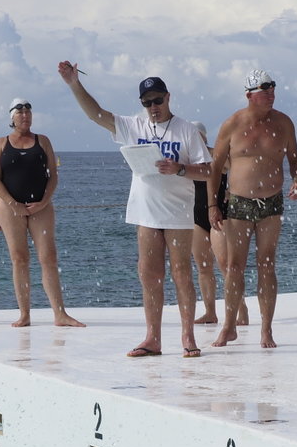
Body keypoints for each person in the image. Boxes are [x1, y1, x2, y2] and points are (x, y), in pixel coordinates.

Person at [58, 61, 210, 358]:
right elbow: (96, 115)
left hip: (178, 213)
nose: (152, 106)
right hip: (146, 213)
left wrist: (179, 169)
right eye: (146, 102)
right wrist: (74, 84)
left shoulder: (187, 129)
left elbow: (207, 171)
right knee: (149, 275)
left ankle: (188, 336)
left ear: (168, 97)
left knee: (181, 274)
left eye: (157, 100)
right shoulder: (134, 125)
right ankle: (152, 338)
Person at [208, 70, 297, 349]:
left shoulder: (284, 122)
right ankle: (229, 327)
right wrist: (214, 204)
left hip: (271, 203)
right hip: (238, 202)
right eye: (265, 90)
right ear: (250, 95)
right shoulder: (232, 124)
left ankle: (266, 330)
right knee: (235, 267)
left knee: (266, 264)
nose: (271, 94)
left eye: (273, 89)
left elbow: (295, 159)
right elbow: (215, 168)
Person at [0, 98, 84, 328]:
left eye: (28, 112)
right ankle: (24, 314)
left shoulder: (43, 141)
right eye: (20, 112)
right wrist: (13, 204)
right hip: (11, 208)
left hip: (40, 207)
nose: (25, 115)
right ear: (12, 117)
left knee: (48, 257)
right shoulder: (1, 143)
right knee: (19, 259)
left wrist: (44, 201)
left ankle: (60, 314)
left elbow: (53, 175)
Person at [191, 121, 248, 325]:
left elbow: (242, 169)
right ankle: (210, 312)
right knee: (204, 267)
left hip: (220, 215)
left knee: (226, 265)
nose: (194, 140)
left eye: (198, 136)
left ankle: (241, 310)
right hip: (196, 216)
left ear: (205, 137)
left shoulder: (217, 154)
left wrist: (233, 189)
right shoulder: (187, 160)